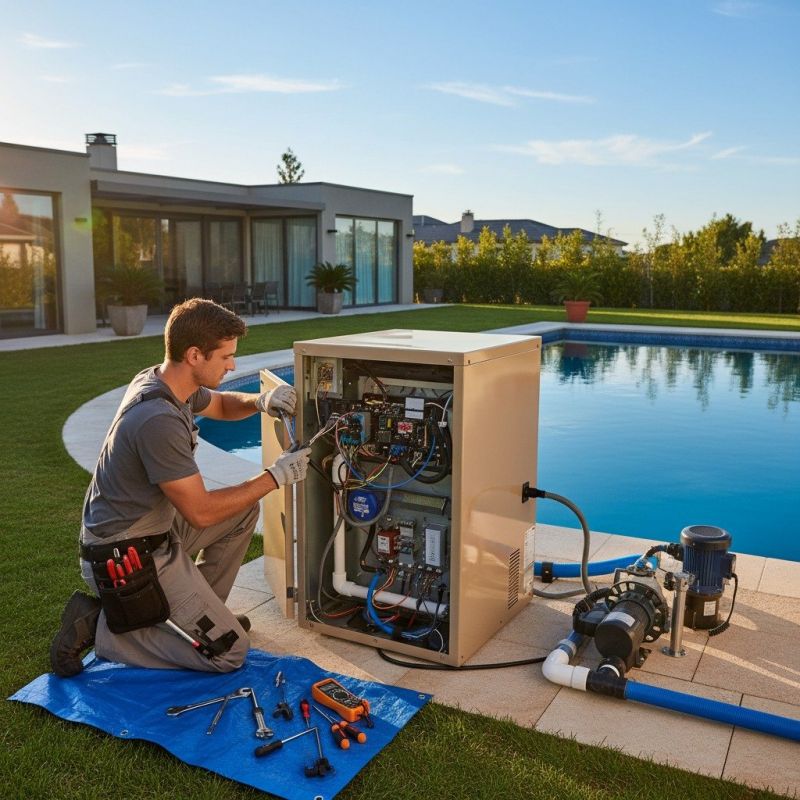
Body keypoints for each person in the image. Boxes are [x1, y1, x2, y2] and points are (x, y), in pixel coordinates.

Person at [49, 298, 311, 676]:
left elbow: (220, 405)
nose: (233, 365)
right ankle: (100, 628)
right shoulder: (157, 419)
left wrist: (260, 401)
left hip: (149, 532)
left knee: (242, 510)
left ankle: (202, 616)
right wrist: (275, 476)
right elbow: (201, 512)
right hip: (124, 555)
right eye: (226, 357)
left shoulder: (165, 381)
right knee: (229, 653)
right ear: (194, 355)